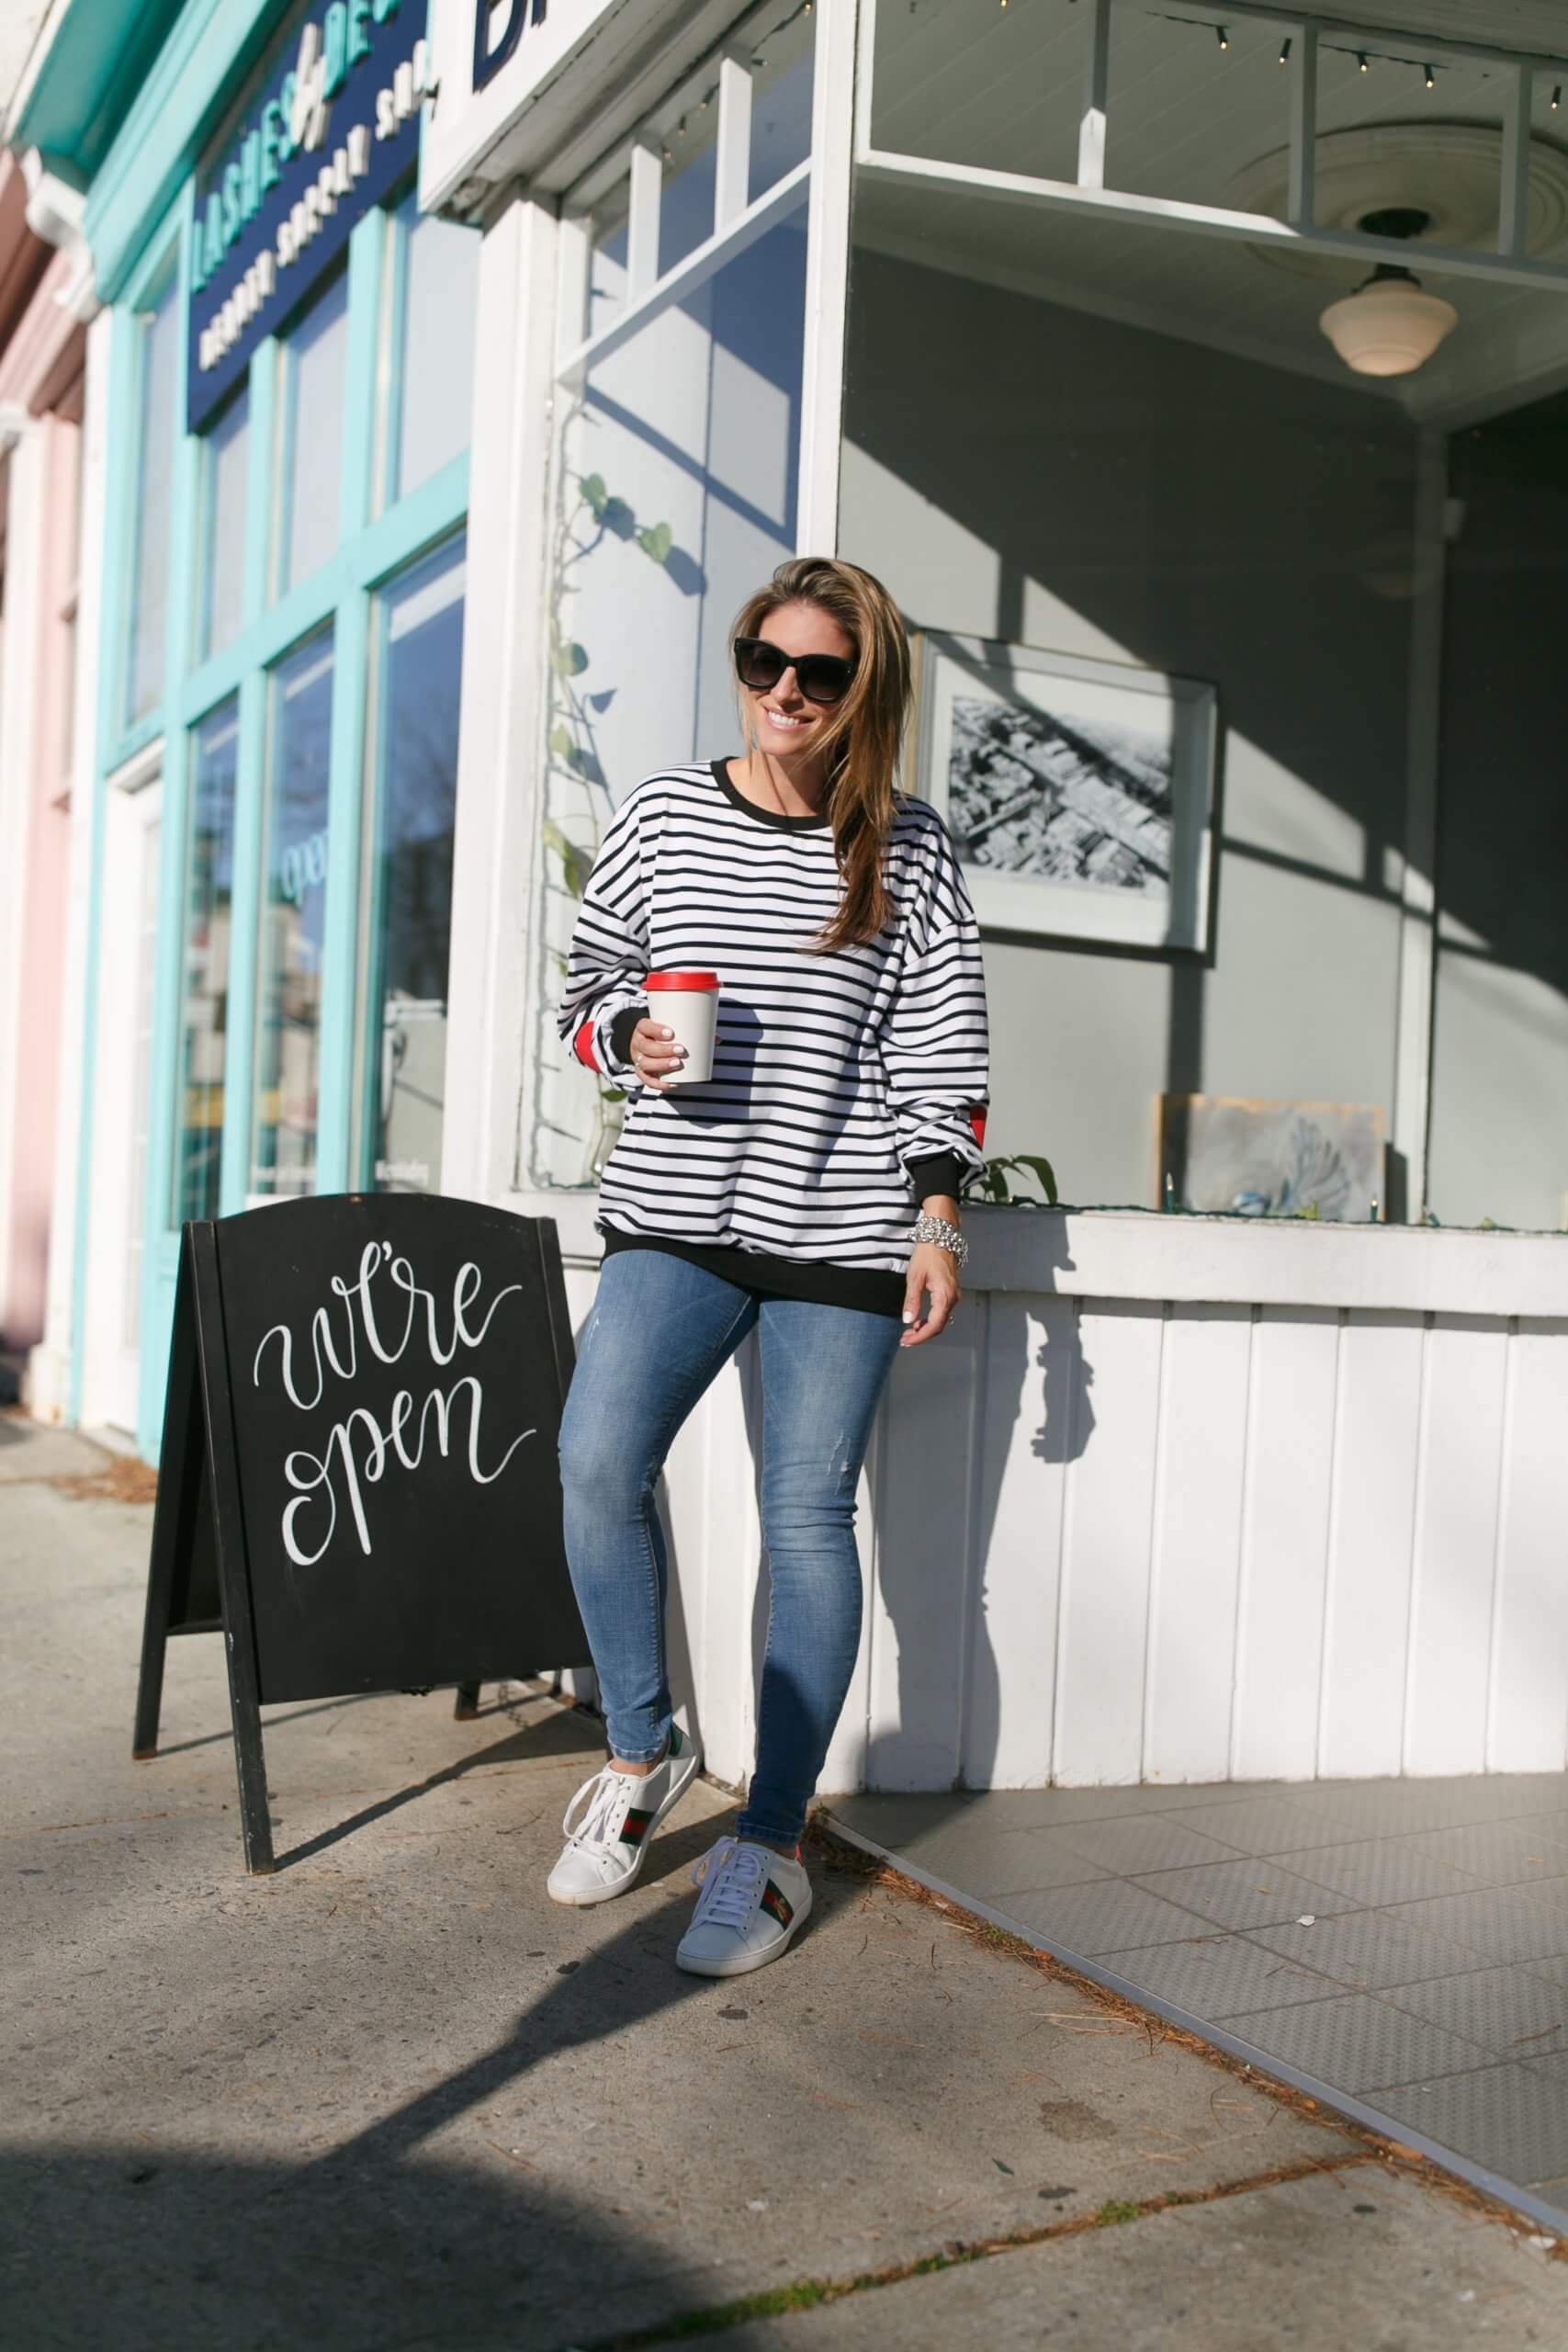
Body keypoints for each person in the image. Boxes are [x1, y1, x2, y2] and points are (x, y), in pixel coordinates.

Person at [548, 555, 990, 1978]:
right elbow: (583, 993)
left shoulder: (907, 847)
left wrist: (937, 1214)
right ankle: (641, 1755)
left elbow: (938, 1045)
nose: (785, 691)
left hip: (842, 1230)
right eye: (765, 660)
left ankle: (773, 1843)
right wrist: (626, 1037)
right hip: (676, 1215)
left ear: (866, 690)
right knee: (596, 1463)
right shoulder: (666, 815)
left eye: (820, 672)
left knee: (807, 1517)